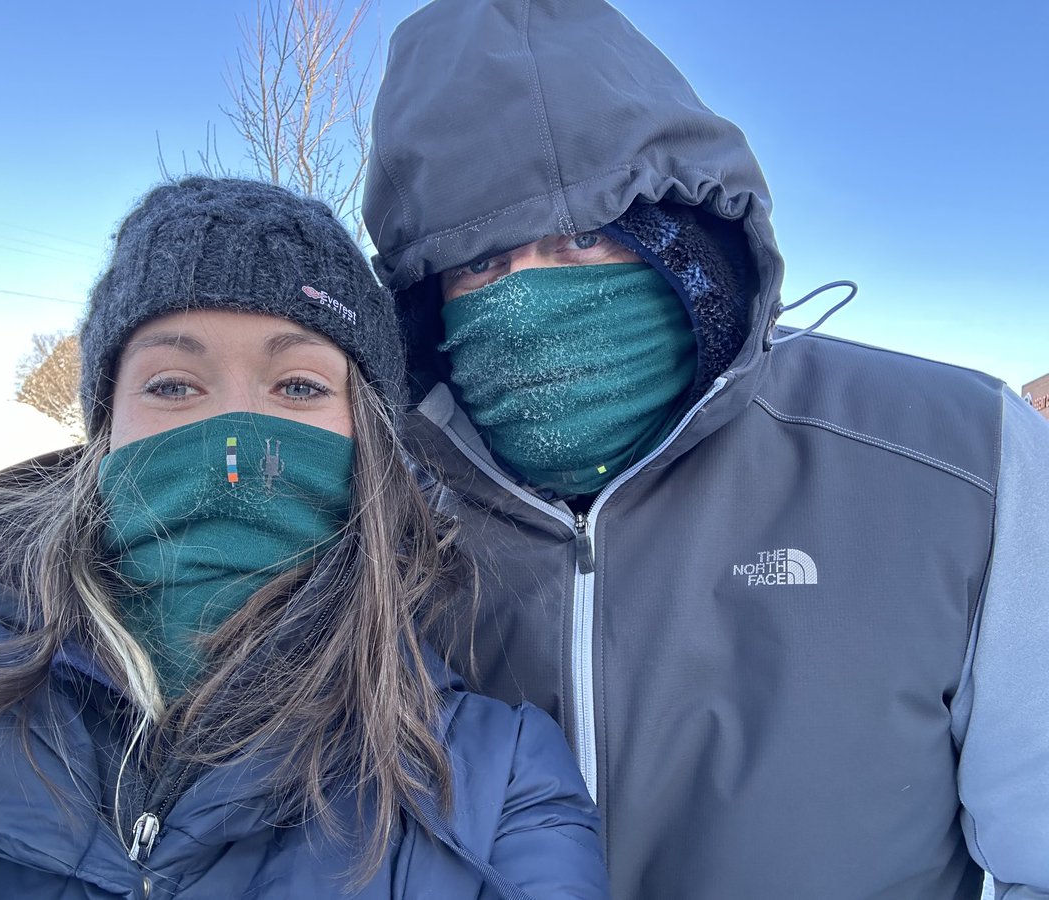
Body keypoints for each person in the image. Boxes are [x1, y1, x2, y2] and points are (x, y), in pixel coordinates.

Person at [361, 1, 1049, 898]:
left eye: (580, 237)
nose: (527, 301)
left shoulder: (961, 459)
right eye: (481, 262)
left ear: (682, 236)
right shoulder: (379, 517)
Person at [0, 178, 609, 899]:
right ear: (104, 433)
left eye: (301, 387)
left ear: (370, 440)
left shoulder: (498, 780)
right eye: (174, 385)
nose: (234, 444)